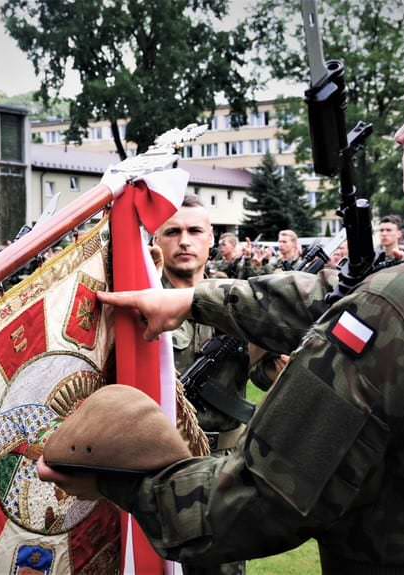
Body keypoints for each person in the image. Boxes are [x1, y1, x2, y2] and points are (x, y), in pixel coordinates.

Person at [39, 5, 404, 574]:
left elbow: (252, 503)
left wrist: (116, 478)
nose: (399, 131)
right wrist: (194, 301)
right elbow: (342, 295)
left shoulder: (397, 307)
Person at [153, 194, 254, 575]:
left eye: (195, 231)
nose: (184, 241)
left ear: (211, 239)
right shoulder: (143, 301)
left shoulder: (242, 302)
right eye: (173, 231)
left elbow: (265, 375)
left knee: (223, 567)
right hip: (162, 461)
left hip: (225, 468)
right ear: (158, 240)